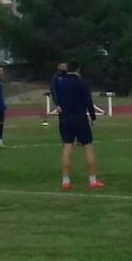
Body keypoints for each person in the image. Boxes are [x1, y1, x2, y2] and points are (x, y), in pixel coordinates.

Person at [57, 61, 103, 190]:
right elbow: (88, 100)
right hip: (80, 118)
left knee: (67, 148)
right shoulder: (81, 83)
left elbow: (58, 101)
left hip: (66, 119)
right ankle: (92, 179)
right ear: (79, 69)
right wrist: (93, 117)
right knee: (88, 147)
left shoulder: (61, 83)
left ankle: (65, 180)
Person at [43, 62, 68, 127]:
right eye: (62, 66)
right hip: (61, 102)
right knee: (63, 120)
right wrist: (57, 104)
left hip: (70, 101)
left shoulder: (68, 76)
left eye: (65, 66)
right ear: (58, 67)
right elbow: (54, 91)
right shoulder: (56, 77)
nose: (64, 67)